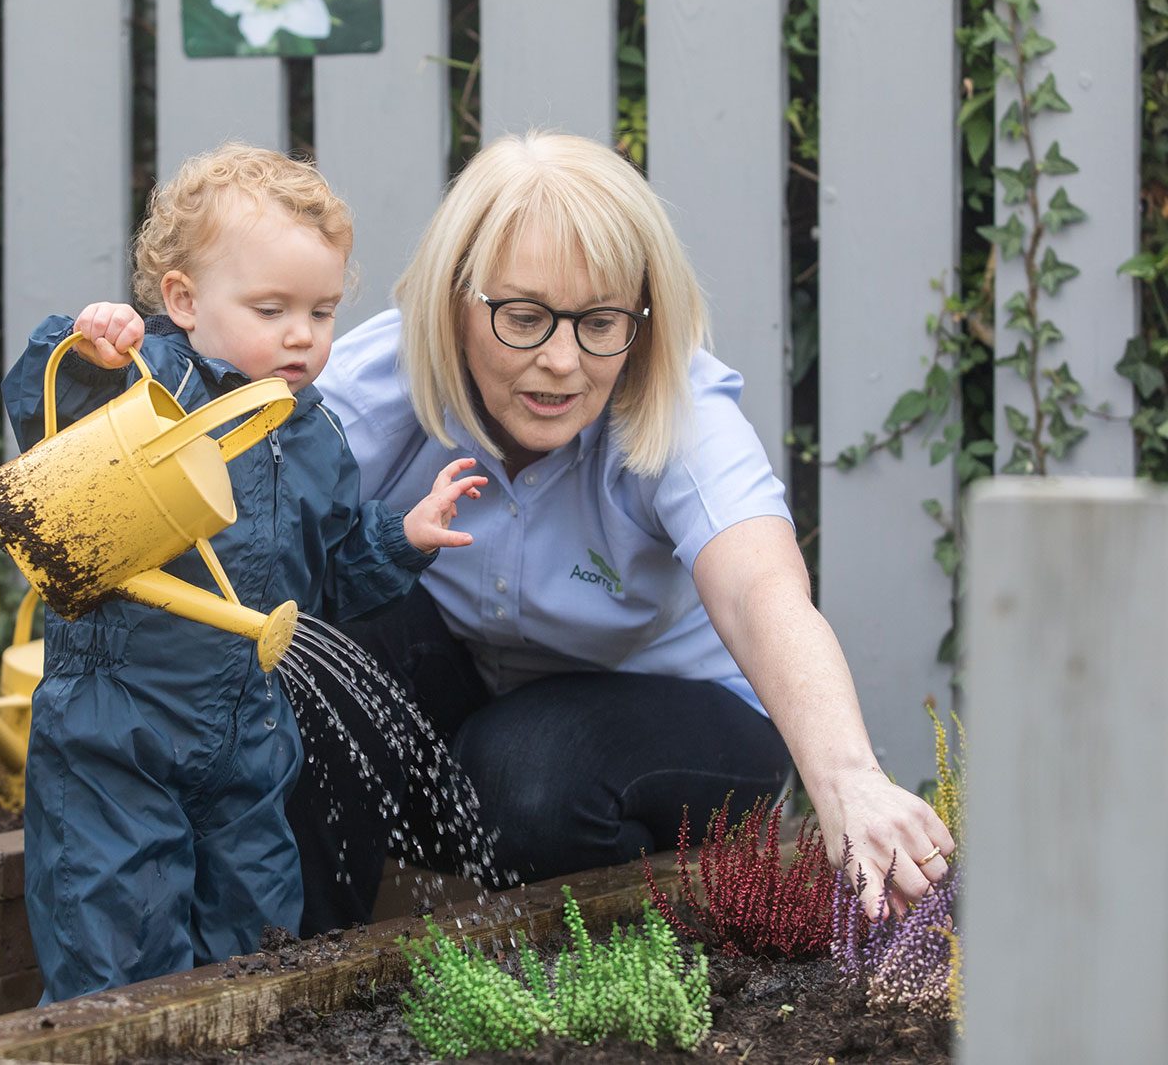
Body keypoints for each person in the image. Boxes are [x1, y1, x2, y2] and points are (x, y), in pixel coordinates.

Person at [285, 130, 955, 934]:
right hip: (472, 688)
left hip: (676, 714)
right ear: (455, 301)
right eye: (524, 316)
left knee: (525, 779)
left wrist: (850, 781)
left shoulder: (678, 406)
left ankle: (629, 943)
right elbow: (239, 502)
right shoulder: (385, 372)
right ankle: (307, 960)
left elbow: (758, 589)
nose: (563, 361)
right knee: (308, 644)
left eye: (600, 321)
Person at [2, 143, 485, 999]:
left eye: (324, 311)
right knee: (114, 930)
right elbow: (47, 411)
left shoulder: (314, 435)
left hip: (249, 732)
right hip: (119, 723)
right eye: (272, 308)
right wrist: (91, 352)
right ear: (183, 299)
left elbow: (328, 578)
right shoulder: (147, 384)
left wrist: (401, 538)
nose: (303, 334)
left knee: (256, 927)